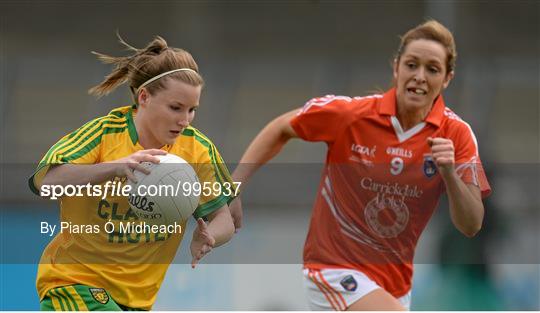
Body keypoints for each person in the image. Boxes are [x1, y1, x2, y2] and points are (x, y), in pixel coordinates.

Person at [229, 20, 491, 310]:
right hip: (333, 269)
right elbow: (282, 127)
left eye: (432, 69)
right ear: (396, 67)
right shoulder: (351, 115)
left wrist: (449, 174)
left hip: (394, 285)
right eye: (411, 65)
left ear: (447, 78)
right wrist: (235, 186)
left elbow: (471, 224)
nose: (419, 76)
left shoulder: (457, 134)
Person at [29, 35, 236, 310]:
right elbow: (47, 183)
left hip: (137, 301)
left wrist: (211, 235)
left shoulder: (197, 149)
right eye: (175, 107)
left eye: (192, 110)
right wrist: (117, 167)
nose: (184, 120)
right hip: (74, 282)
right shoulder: (104, 133)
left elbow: (224, 218)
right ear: (144, 97)